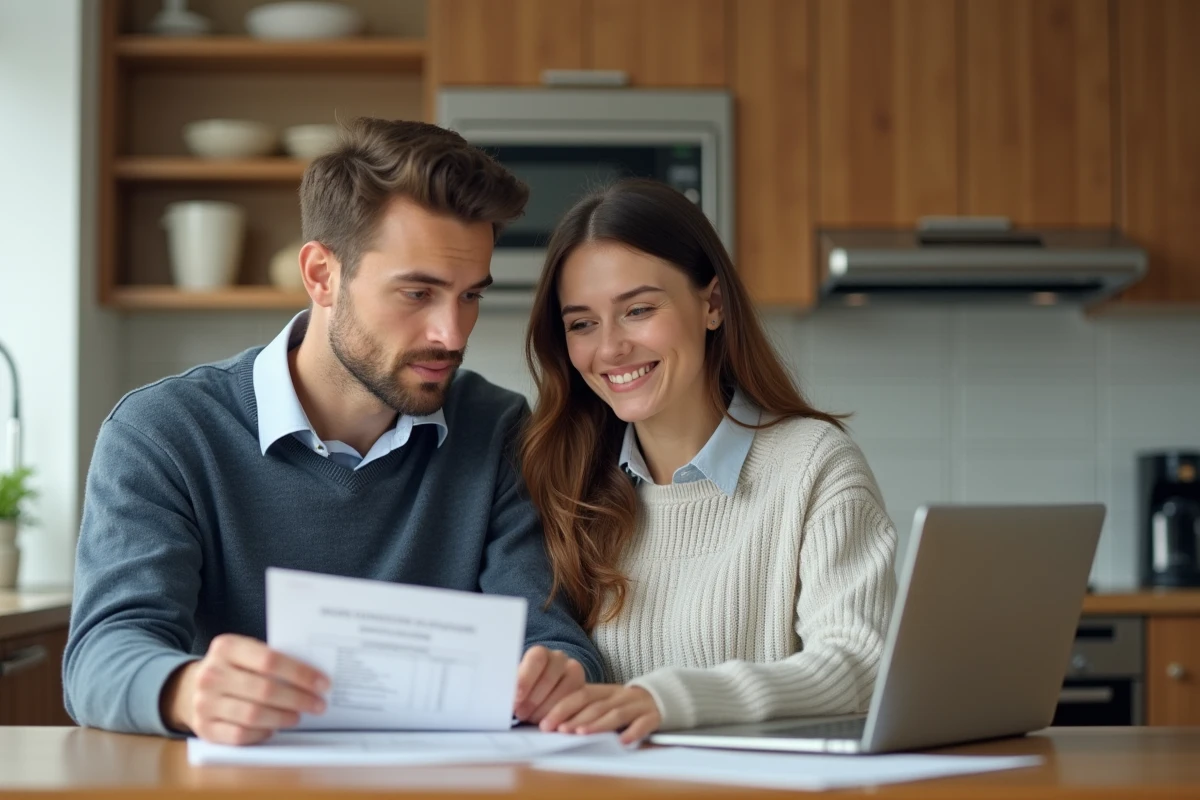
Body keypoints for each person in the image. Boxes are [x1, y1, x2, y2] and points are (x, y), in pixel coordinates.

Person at [64, 118, 602, 744]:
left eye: (470, 296)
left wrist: (558, 673)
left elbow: (551, 636)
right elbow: (100, 656)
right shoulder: (165, 433)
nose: (452, 335)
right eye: (417, 292)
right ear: (321, 274)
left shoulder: (498, 429)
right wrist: (184, 689)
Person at [519, 178, 897, 744]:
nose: (610, 348)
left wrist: (665, 700)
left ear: (712, 304)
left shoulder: (814, 464)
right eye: (582, 324)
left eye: (638, 309)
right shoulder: (563, 480)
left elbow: (860, 668)